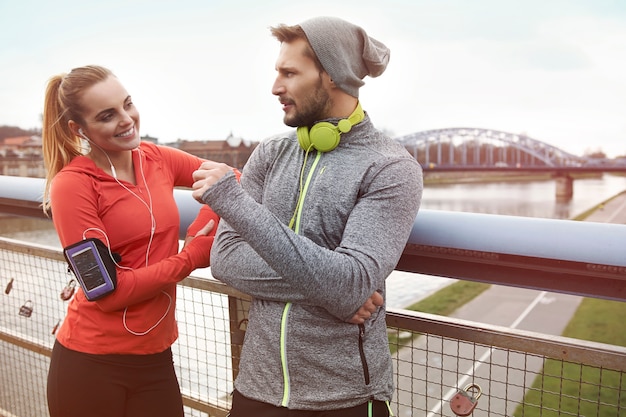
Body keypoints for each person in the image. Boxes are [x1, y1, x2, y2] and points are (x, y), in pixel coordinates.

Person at [191, 16, 423, 417]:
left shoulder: (390, 168)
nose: (275, 87)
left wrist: (235, 202)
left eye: (289, 73)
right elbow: (224, 260)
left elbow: (351, 282)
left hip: (344, 400)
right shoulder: (271, 152)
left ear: (332, 75)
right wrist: (334, 291)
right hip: (255, 389)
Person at [42, 64, 219, 417]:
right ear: (80, 129)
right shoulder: (72, 185)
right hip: (91, 365)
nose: (126, 119)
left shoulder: (158, 158)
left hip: (157, 359)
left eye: (128, 104)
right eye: (108, 115)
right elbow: (108, 293)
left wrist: (205, 220)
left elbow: (233, 179)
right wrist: (192, 256)